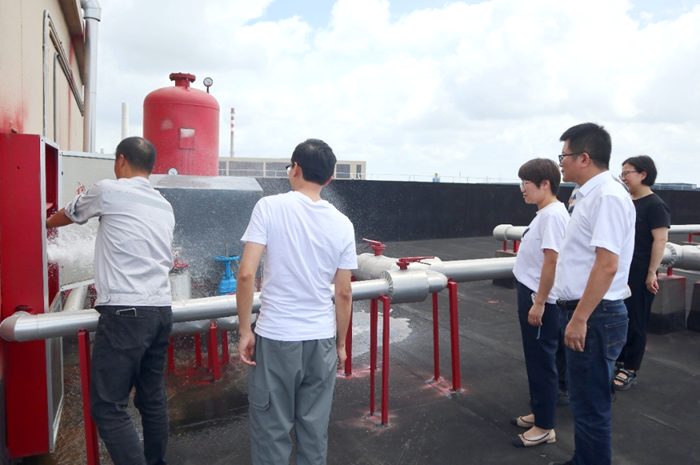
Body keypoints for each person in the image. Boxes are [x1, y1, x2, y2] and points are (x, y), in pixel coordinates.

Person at [46, 137, 175, 465]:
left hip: (125, 312)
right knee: (152, 400)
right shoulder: (164, 205)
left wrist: (42, 223)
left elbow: (71, 214)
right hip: (161, 310)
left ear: (121, 160)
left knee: (108, 406)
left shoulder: (108, 189)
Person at [236, 139, 356, 465]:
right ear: (329, 179)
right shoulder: (343, 224)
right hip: (321, 340)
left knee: (271, 432)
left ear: (296, 169)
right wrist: (341, 344)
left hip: (277, 337)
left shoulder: (269, 207)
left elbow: (246, 274)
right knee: (314, 431)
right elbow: (343, 293)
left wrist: (245, 330)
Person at [549, 123, 635, 465]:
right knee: (584, 400)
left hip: (595, 315)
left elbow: (607, 265)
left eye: (564, 156)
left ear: (584, 158)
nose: (560, 163)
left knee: (590, 405)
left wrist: (579, 318)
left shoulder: (607, 197)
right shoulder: (588, 195)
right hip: (588, 312)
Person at [511, 159, 569, 448]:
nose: (522, 189)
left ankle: (545, 427)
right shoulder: (545, 213)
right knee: (536, 359)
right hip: (533, 294)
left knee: (542, 362)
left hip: (540, 298)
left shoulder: (553, 215)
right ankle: (540, 412)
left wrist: (540, 302)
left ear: (545, 184)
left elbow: (552, 262)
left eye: (526, 183)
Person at [614, 155, 670, 390]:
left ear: (643, 174)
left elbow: (661, 240)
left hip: (639, 272)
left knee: (636, 319)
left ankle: (630, 367)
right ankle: (618, 359)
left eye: (627, 173)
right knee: (618, 317)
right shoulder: (626, 201)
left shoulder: (655, 205)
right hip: (620, 270)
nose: (623, 177)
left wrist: (651, 273)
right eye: (622, 173)